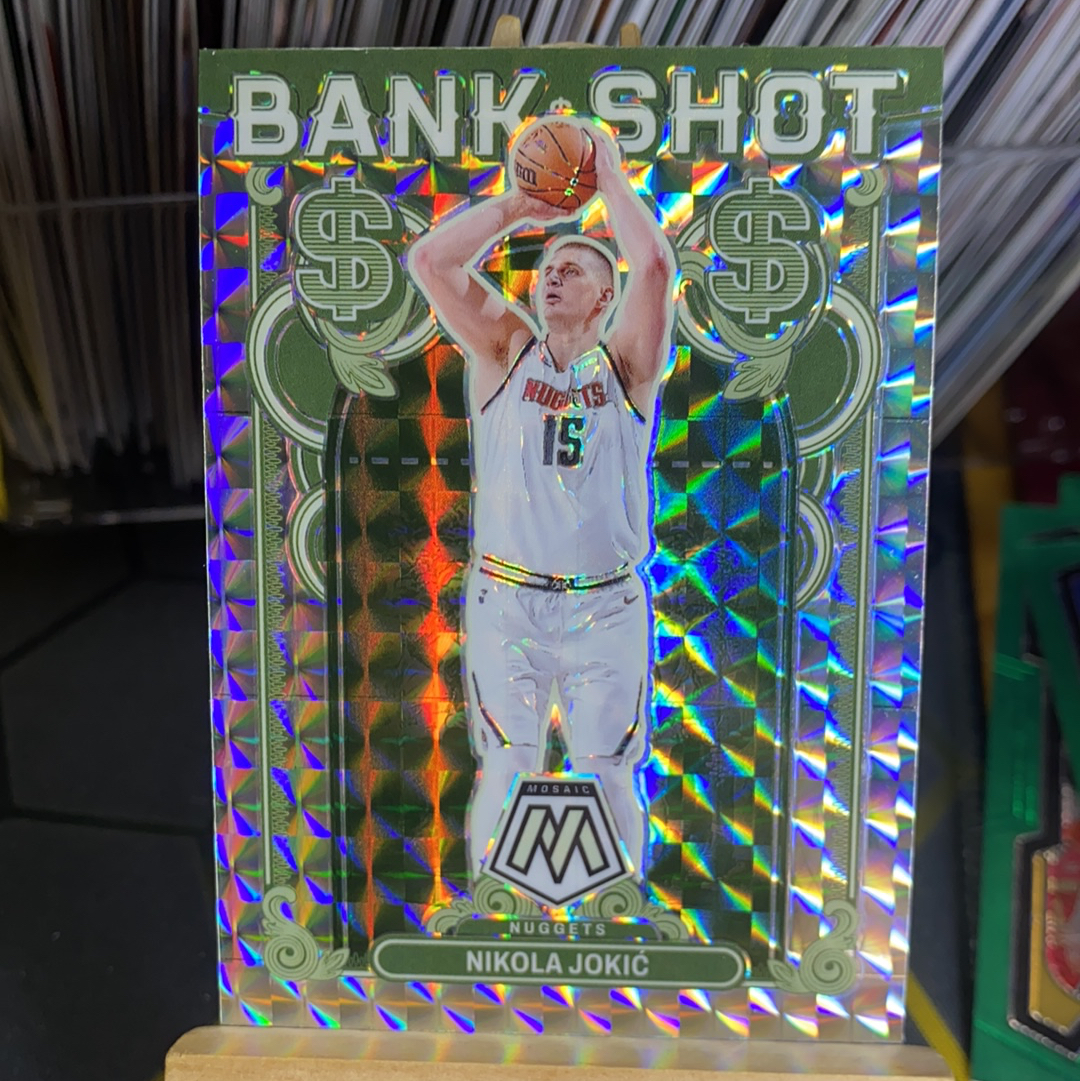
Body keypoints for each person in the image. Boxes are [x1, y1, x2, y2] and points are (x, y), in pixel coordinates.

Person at [408, 120, 675, 885]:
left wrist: (608, 174)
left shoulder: (627, 367)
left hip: (606, 606)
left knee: (607, 768)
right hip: (510, 600)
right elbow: (430, 261)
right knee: (507, 763)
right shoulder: (506, 351)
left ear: (604, 297)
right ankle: (490, 903)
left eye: (573, 269)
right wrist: (519, 208)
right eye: (547, 268)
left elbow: (655, 265)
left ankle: (620, 905)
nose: (551, 276)